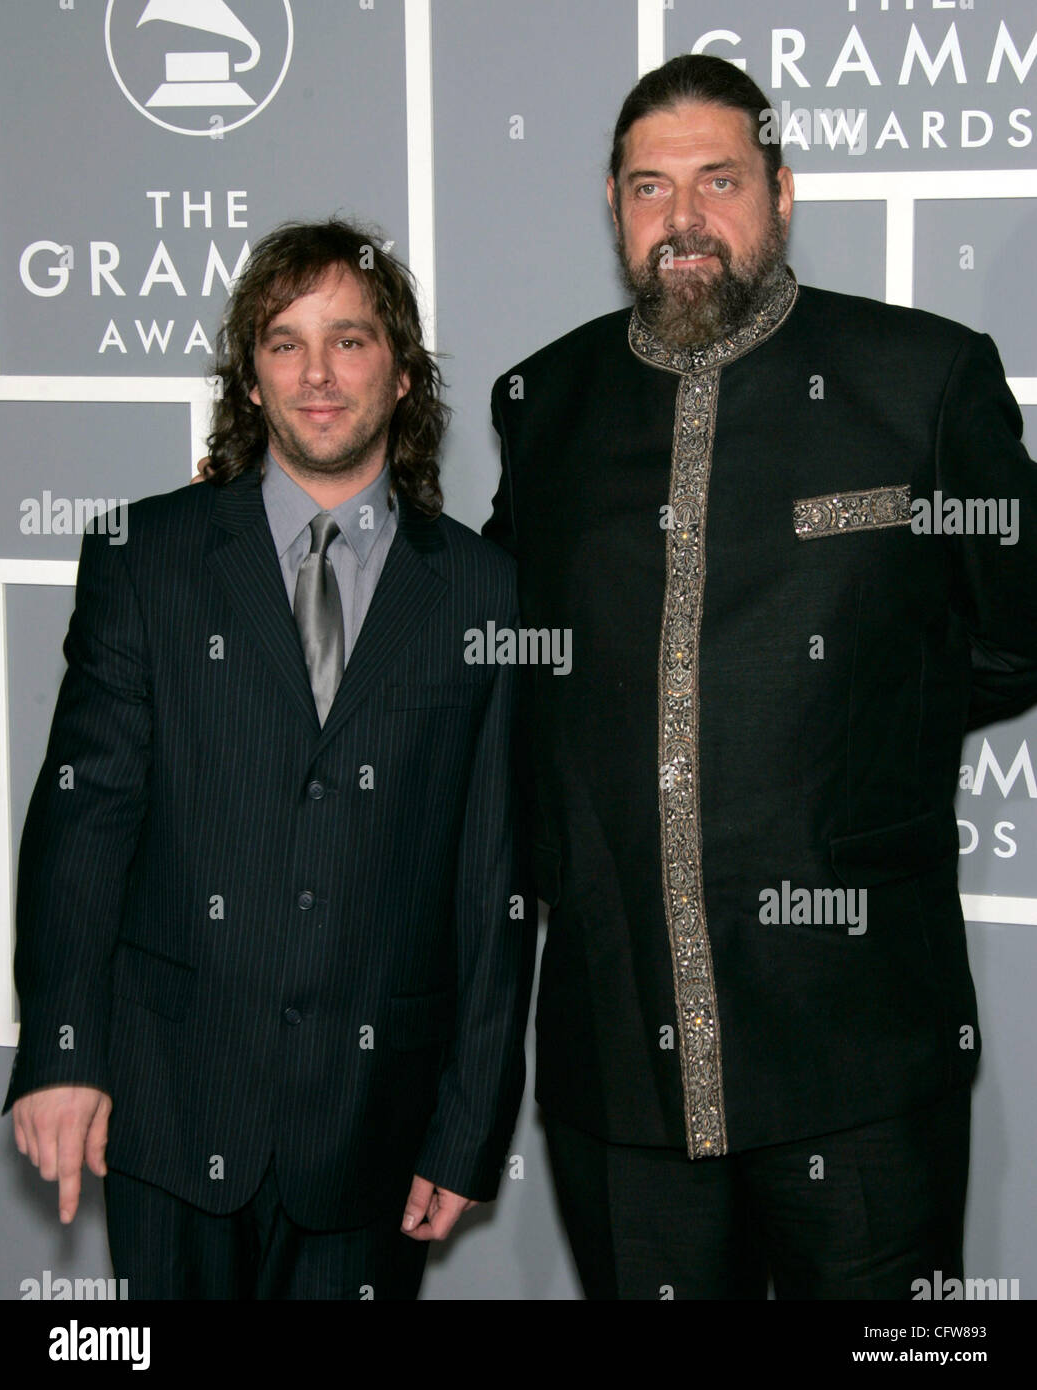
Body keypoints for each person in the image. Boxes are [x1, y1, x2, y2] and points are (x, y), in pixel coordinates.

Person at [486, 54, 1037, 1299]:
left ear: (781, 194)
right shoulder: (548, 401)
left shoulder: (922, 378)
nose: (683, 218)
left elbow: (1017, 624)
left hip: (859, 1047)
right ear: (615, 209)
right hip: (622, 1053)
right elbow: (511, 645)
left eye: (719, 179)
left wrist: (857, 723)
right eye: (648, 187)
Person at [5, 218, 532, 1300]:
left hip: (374, 1130)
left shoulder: (486, 592)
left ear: (401, 373)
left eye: (350, 339)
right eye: (285, 343)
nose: (318, 373)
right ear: (249, 379)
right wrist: (60, 1048)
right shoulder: (143, 558)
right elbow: (82, 821)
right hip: (168, 1108)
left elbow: (495, 886)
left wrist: (470, 1121)